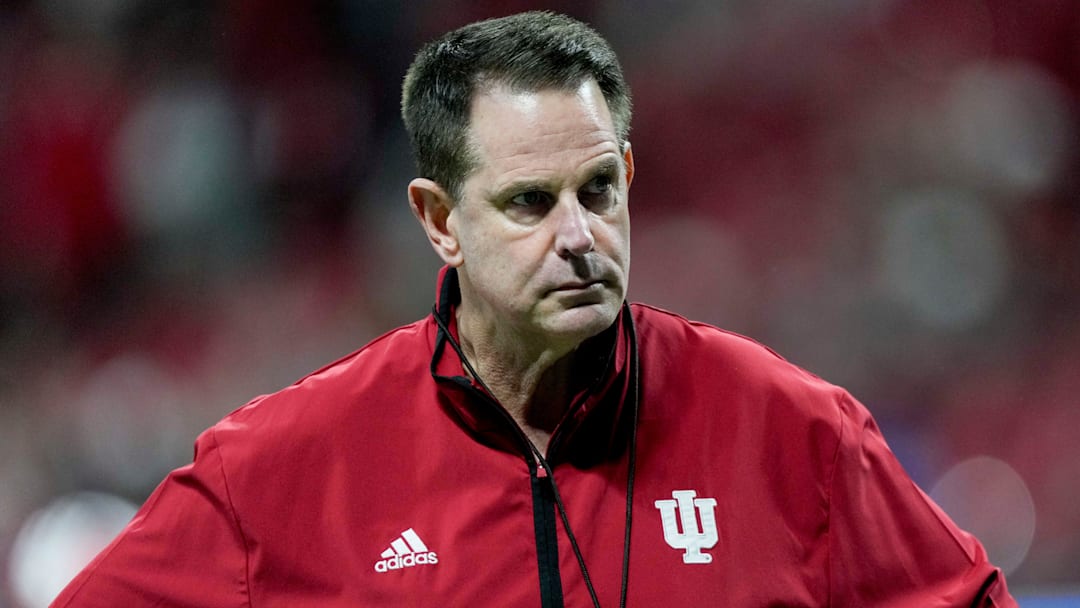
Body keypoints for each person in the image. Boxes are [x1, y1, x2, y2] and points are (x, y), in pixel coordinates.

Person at [52, 11, 1016, 607]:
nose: (577, 235)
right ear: (438, 221)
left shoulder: (794, 432)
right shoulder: (279, 472)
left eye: (598, 190)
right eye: (527, 202)